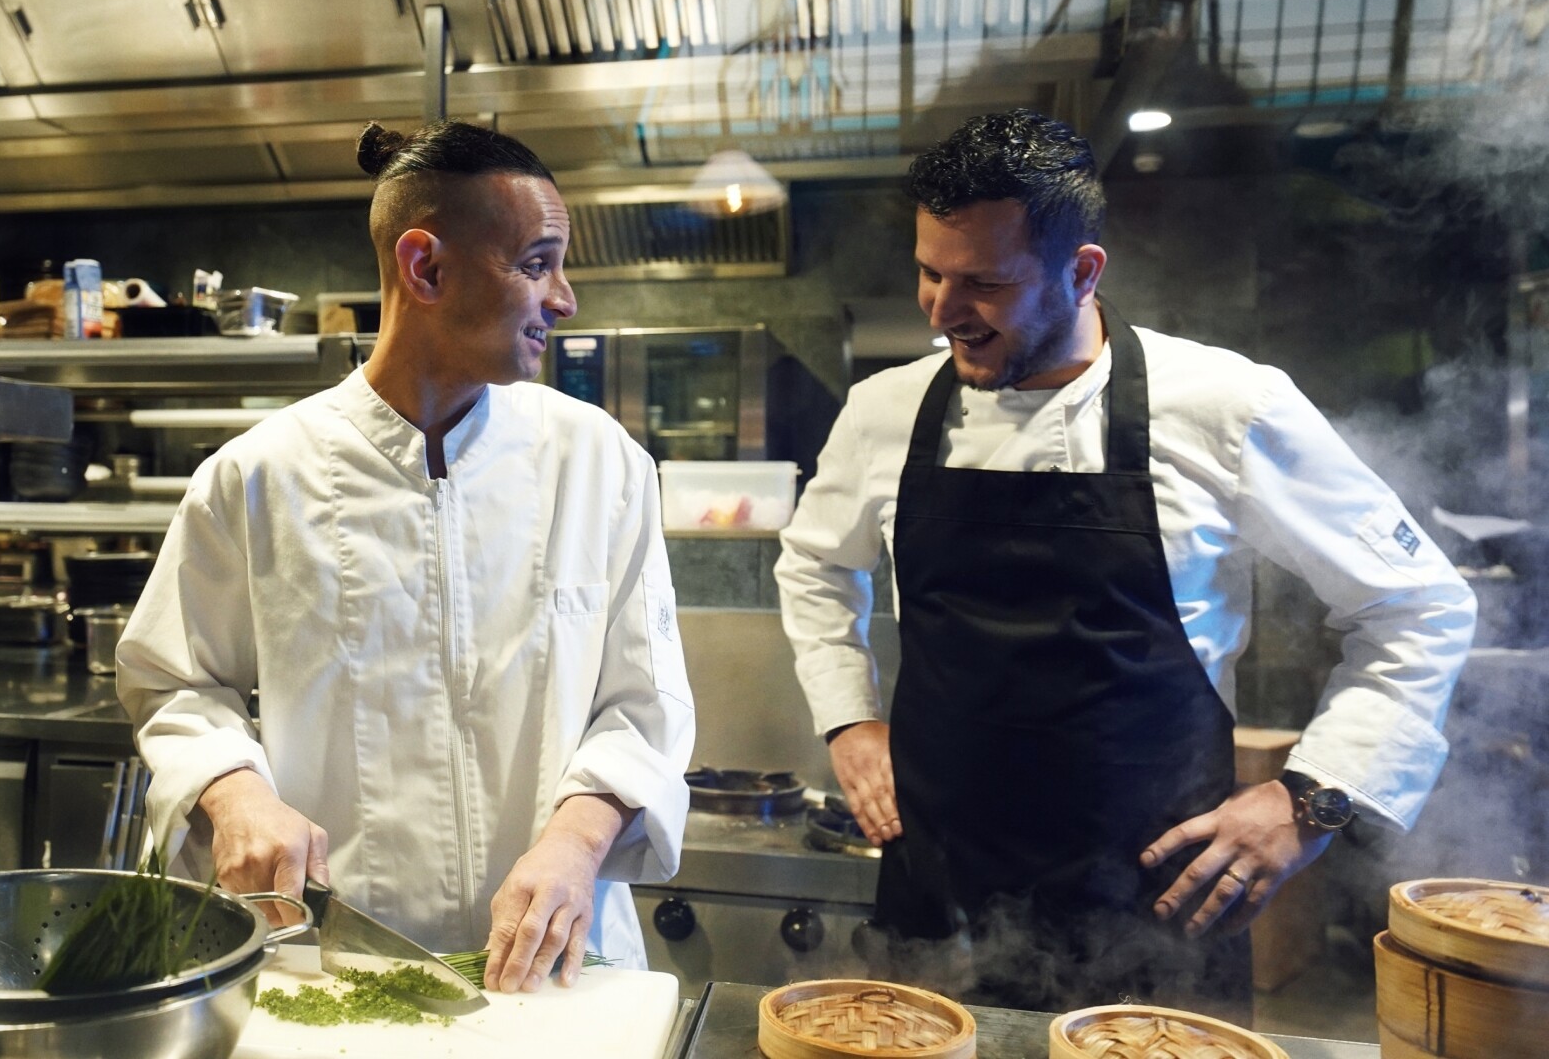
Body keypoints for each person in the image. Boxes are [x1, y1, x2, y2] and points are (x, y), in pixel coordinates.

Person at [774, 109, 1476, 1019]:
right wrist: (848, 721)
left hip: (1154, 918)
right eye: (928, 273)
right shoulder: (885, 410)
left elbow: (1419, 605)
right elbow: (813, 566)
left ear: (1083, 270)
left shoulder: (1228, 406)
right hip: (938, 903)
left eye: (983, 283)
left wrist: (1310, 801)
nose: (943, 312)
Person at [117, 120, 695, 992]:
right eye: (537, 263)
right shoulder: (257, 477)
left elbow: (644, 706)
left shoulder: (600, 463)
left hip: (554, 970)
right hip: (338, 970)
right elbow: (174, 680)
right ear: (425, 268)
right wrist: (236, 797)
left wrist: (576, 844)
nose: (565, 298)